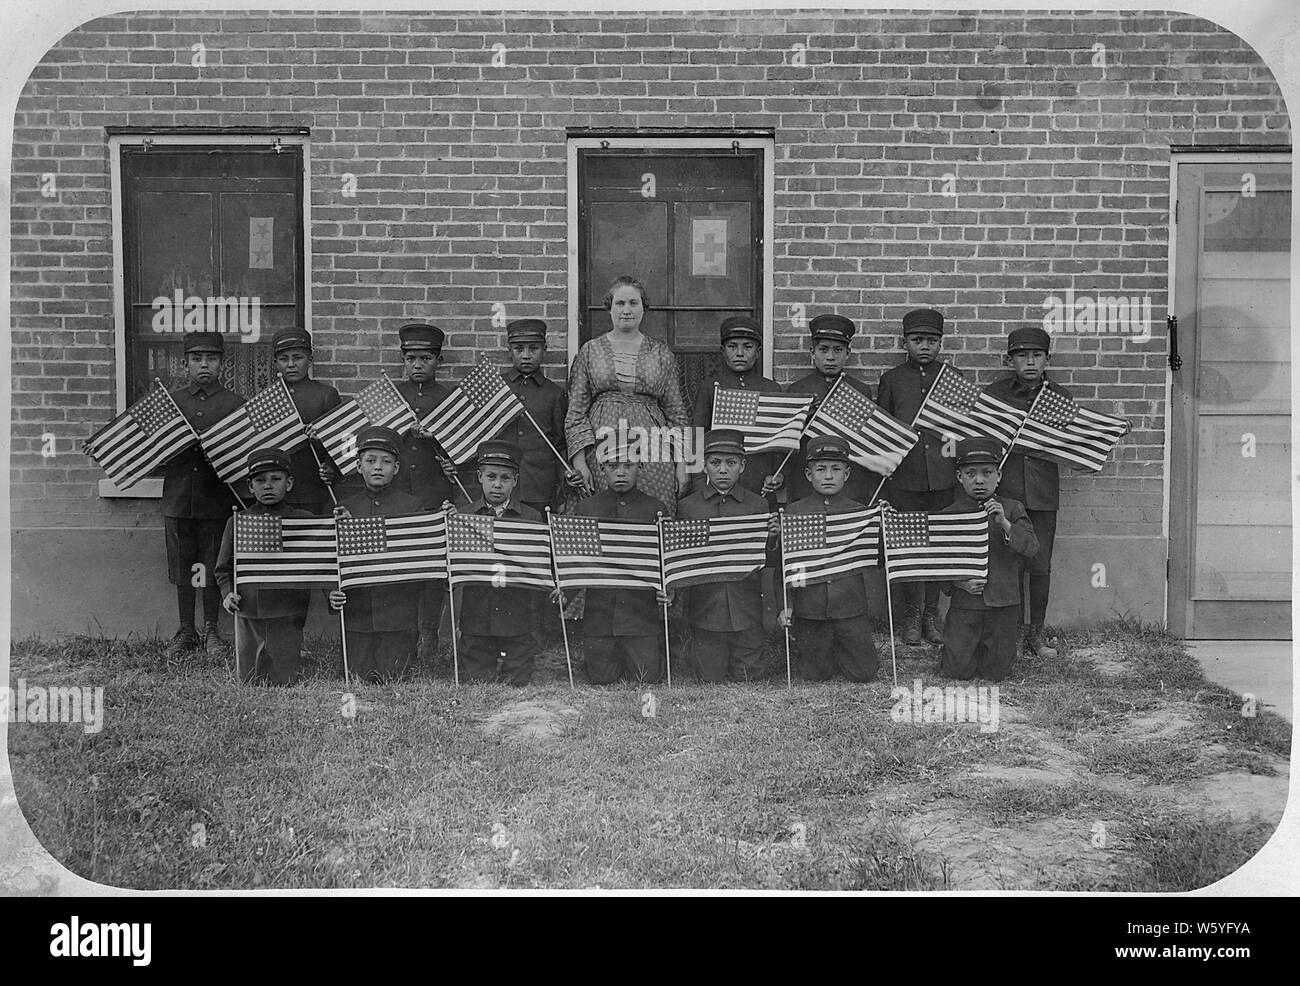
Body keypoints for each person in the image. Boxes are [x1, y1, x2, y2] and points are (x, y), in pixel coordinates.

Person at [565, 275, 691, 514]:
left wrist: (682, 464)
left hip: (652, 445)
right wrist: (579, 462)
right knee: (602, 511)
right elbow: (576, 412)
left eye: (633, 303)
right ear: (609, 308)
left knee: (653, 510)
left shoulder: (661, 352)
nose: (626, 310)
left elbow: (677, 413)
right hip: (602, 443)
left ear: (644, 308)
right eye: (619, 303)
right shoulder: (590, 350)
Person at [876, 307, 958, 647]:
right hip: (905, 478)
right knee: (910, 546)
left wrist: (953, 467)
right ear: (904, 342)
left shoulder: (952, 379)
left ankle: (931, 614)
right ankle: (911, 612)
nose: (924, 346)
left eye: (932, 340)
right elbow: (882, 430)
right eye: (917, 340)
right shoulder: (892, 380)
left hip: (941, 476)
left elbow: (960, 429)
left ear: (941, 343)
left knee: (937, 545)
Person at [981, 326, 1064, 660]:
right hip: (1009, 493)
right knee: (1009, 565)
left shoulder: (1059, 397)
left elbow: (1067, 444)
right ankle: (1010, 636)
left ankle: (1036, 635)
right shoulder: (997, 394)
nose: (1030, 362)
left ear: (1047, 359)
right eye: (1022, 356)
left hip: (1042, 492)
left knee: (1039, 564)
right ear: (1009, 359)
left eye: (1037, 356)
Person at [162, 332, 246, 659]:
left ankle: (212, 629)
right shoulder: (172, 403)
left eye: (211, 359)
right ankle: (186, 629)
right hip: (179, 498)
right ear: (185, 364)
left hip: (216, 499)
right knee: (183, 568)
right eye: (196, 359)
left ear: (221, 363)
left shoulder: (234, 404)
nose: (204, 365)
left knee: (213, 565)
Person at [675, 429, 776, 683]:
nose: (722, 470)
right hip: (706, 609)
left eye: (731, 463)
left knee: (748, 677)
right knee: (710, 676)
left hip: (746, 607)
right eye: (715, 463)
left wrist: (772, 537)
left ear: (742, 466)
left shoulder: (757, 505)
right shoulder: (689, 507)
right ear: (704, 465)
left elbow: (765, 559)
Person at [777, 435, 878, 682]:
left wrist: (882, 522)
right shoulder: (794, 512)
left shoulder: (860, 512)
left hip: (849, 606)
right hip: (811, 607)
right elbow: (787, 566)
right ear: (809, 475)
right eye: (821, 469)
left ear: (847, 473)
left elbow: (876, 557)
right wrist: (787, 605)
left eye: (836, 469)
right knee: (815, 674)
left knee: (864, 673)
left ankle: (846, 648)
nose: (829, 476)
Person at [939, 437, 1040, 681]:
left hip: (1003, 605)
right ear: (960, 477)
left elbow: (1032, 548)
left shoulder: (1013, 509)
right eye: (971, 473)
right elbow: (939, 563)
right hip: (966, 605)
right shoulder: (949, 515)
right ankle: (959, 650)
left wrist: (1004, 523)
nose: (979, 480)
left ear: (999, 475)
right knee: (956, 672)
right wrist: (959, 583)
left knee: (996, 673)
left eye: (987, 473)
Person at [390, 322, 462, 665]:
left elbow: (464, 448)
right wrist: (406, 430)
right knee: (402, 563)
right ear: (403, 360)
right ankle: (405, 633)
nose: (418, 365)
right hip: (399, 493)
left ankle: (429, 632)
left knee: (433, 566)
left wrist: (440, 443)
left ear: (439, 360)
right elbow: (378, 441)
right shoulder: (393, 396)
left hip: (435, 492)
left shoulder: (449, 398)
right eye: (411, 358)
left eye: (426, 358)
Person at [328, 426, 423, 681]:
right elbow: (332, 559)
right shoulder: (345, 508)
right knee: (357, 675)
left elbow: (414, 556)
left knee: (395, 675)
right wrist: (331, 590)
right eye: (370, 461)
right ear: (359, 467)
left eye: (386, 461)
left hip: (396, 612)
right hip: (358, 612)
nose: (378, 467)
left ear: (397, 468)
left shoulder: (412, 507)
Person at [571, 444, 671, 684]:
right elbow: (576, 560)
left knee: (646, 677)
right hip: (600, 616)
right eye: (613, 466)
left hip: (640, 615)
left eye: (628, 465)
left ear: (641, 467)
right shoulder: (587, 508)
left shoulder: (654, 509)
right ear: (602, 468)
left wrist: (669, 590)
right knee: (601, 678)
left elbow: (665, 559)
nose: (621, 472)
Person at [214, 448, 314, 685]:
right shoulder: (238, 521)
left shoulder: (304, 520)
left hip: (287, 612)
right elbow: (222, 569)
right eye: (260, 480)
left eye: (275, 479)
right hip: (249, 611)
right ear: (250, 487)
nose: (268, 486)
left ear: (289, 483)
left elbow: (319, 562)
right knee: (248, 679)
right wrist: (228, 594)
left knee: (284, 678)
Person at [450, 441, 546, 686]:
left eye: (505, 478)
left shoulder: (531, 519)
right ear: (479, 477)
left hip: (517, 618)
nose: (497, 484)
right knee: (476, 680)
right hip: (477, 619)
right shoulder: (464, 516)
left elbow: (539, 568)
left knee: (518, 681)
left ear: (515, 480)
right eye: (491, 476)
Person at [783, 313, 878, 503]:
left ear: (848, 353)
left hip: (849, 482)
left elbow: (865, 441)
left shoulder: (860, 390)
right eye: (823, 350)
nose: (830, 357)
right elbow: (788, 441)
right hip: (807, 481)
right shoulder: (798, 390)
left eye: (838, 350)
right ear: (812, 352)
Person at [690, 314, 784, 503]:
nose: (740, 353)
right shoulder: (711, 387)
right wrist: (699, 481)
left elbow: (780, 441)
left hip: (759, 479)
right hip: (718, 479)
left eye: (747, 347)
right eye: (733, 346)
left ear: (758, 352)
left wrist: (778, 474)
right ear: (723, 351)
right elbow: (697, 436)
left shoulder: (770, 389)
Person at [493, 317, 583, 514]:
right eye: (518, 349)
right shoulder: (497, 388)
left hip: (539, 488)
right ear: (509, 350)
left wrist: (566, 476)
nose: (526, 355)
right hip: (500, 487)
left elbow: (559, 445)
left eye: (534, 348)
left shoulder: (554, 394)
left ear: (545, 349)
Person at [272, 327, 342, 516]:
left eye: (298, 357)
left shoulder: (325, 395)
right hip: (275, 491)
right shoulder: (269, 399)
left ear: (310, 361)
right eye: (283, 359)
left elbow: (342, 440)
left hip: (311, 486)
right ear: (276, 363)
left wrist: (330, 466)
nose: (291, 364)